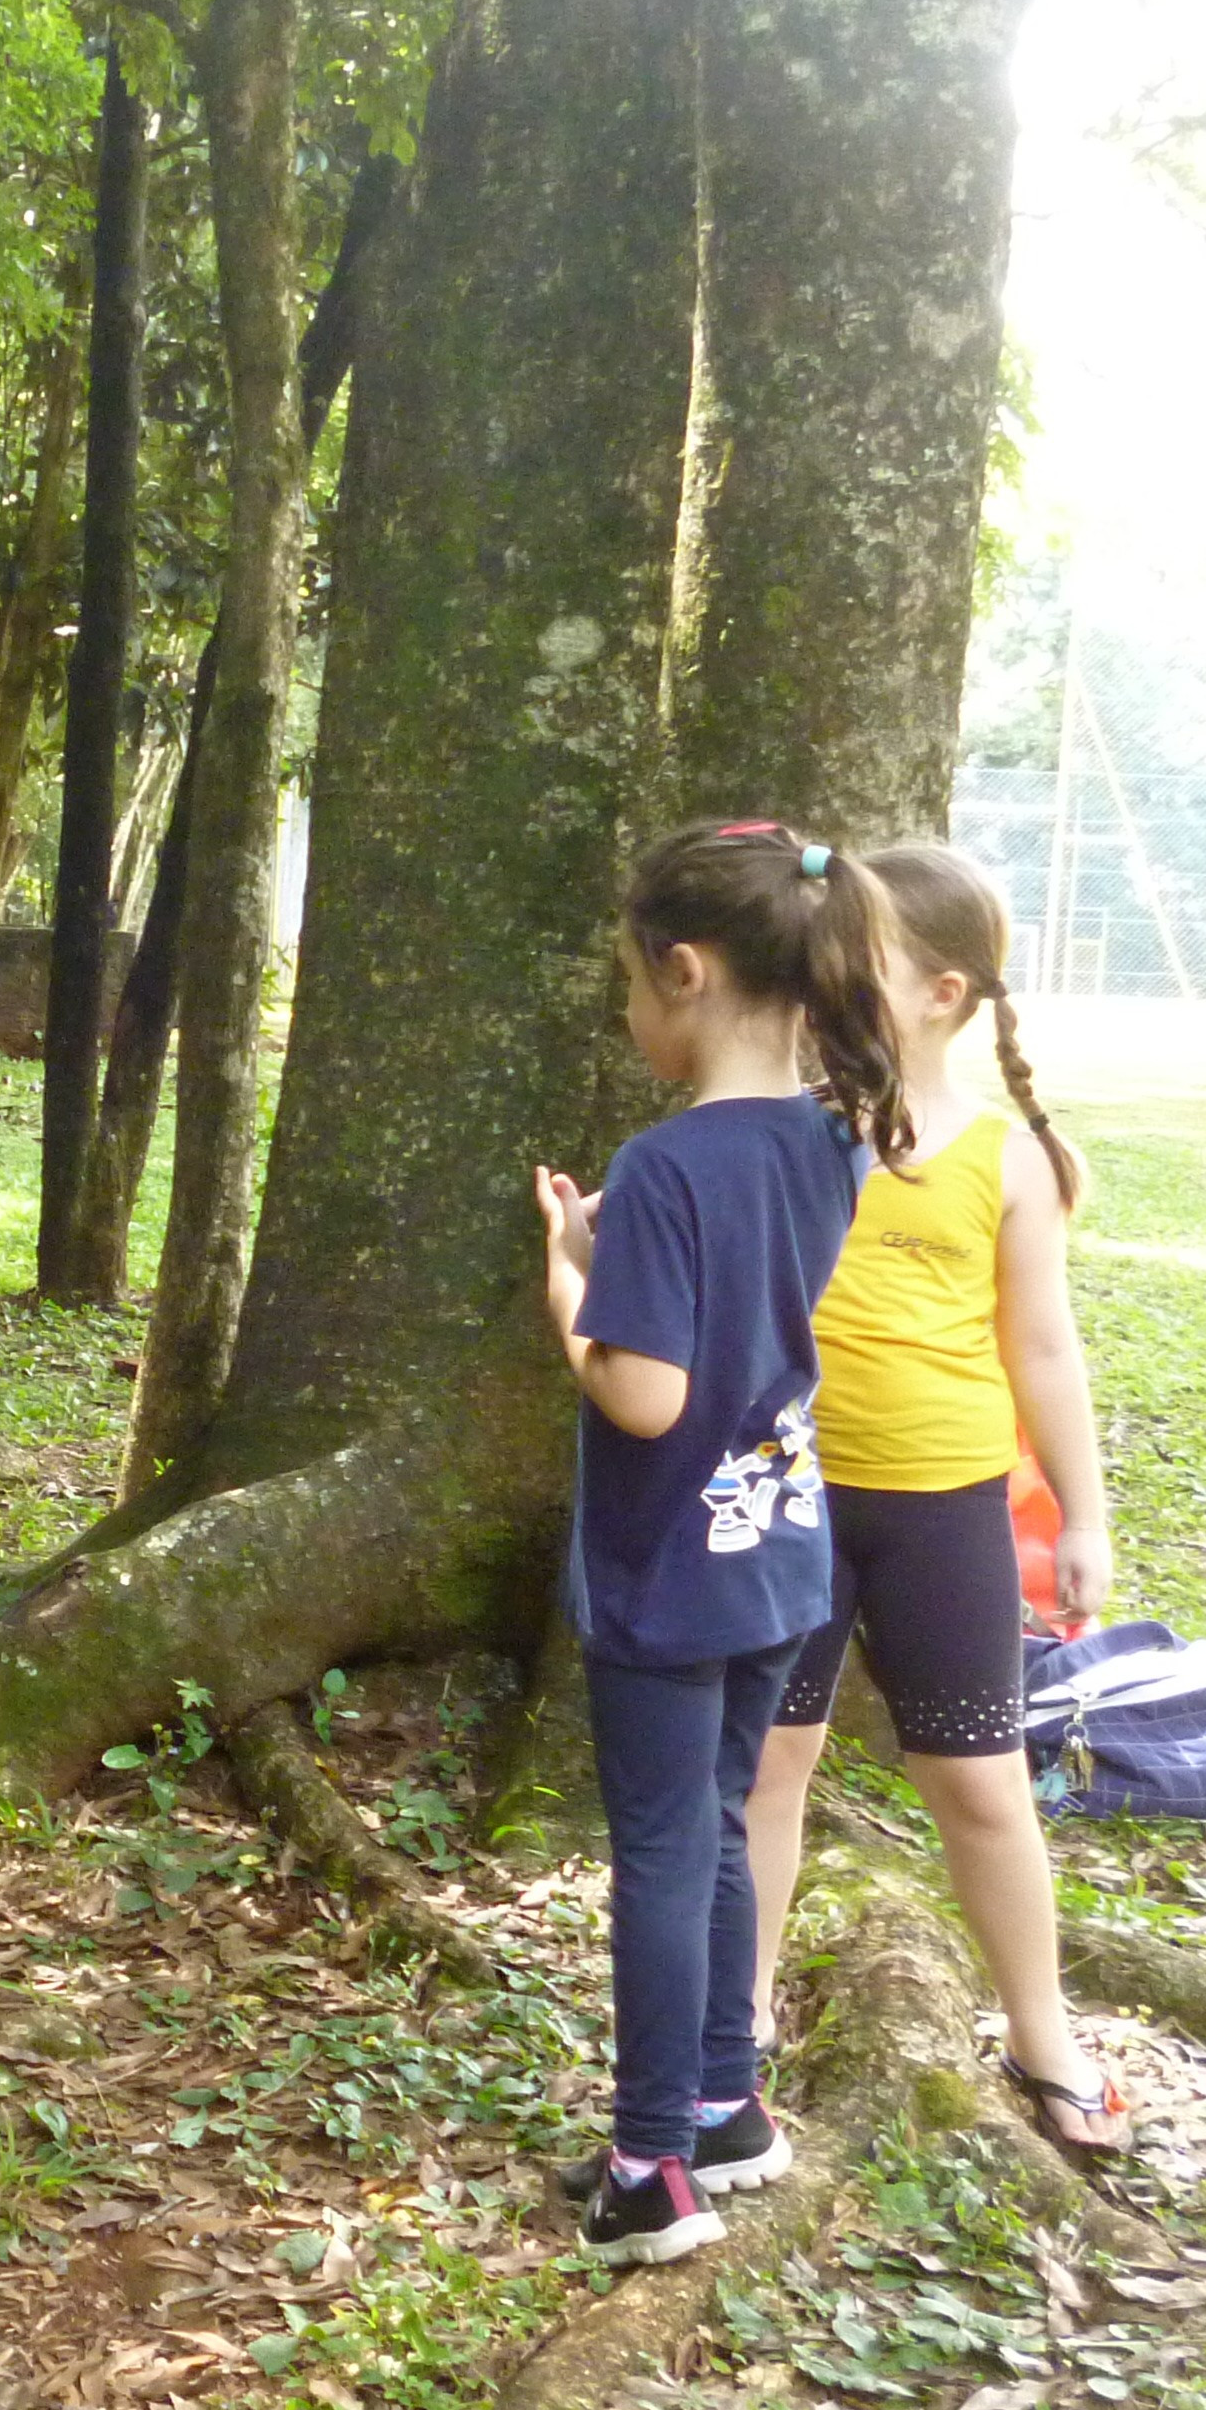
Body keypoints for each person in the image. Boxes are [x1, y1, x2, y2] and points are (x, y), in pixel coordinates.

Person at [533, 821, 912, 2264]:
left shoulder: (665, 1164)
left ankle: (650, 2168)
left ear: (683, 973)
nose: (631, 1012)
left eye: (631, 984)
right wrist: (621, 1249)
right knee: (727, 1817)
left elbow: (645, 1395)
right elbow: (736, 1280)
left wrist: (569, 1287)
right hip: (781, 1555)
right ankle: (724, 2104)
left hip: (668, 1570)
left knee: (661, 1845)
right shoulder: (832, 1138)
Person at [738, 846, 1133, 2160]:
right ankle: (736, 2023)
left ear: (943, 992)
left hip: (943, 1513)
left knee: (979, 1779)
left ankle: (1042, 2031)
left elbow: (1045, 1350)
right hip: (788, 1497)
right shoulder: (790, 1130)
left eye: (853, 963)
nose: (820, 984)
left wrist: (1083, 1517)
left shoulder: (1011, 1162)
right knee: (768, 1763)